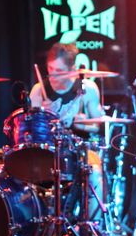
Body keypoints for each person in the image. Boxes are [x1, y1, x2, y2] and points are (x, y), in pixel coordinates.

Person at [29, 42, 106, 219]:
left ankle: (91, 226)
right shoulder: (39, 90)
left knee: (94, 173)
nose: (53, 75)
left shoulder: (86, 88)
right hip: (49, 150)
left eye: (59, 71)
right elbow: (32, 131)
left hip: (80, 150)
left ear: (72, 69)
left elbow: (98, 126)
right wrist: (43, 115)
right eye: (50, 69)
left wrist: (80, 124)